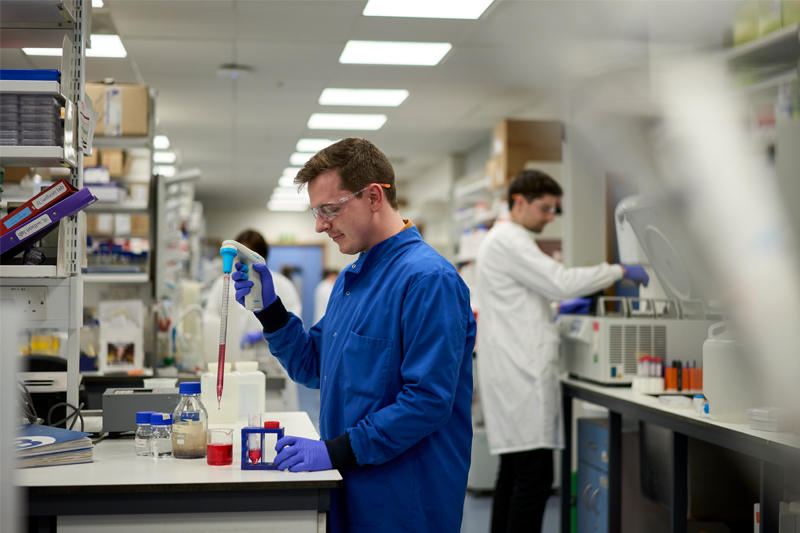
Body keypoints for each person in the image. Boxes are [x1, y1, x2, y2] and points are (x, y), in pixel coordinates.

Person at [232, 137, 475, 533]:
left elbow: (427, 401)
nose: (319, 224)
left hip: (404, 501)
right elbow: (315, 365)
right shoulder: (353, 278)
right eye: (316, 211)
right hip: (352, 487)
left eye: (330, 209)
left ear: (374, 196)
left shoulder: (429, 280)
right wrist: (270, 310)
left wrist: (335, 452)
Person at [474, 170, 648, 533]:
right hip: (521, 374)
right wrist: (617, 270)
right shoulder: (510, 239)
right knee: (533, 481)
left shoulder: (501, 239)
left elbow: (527, 298)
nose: (550, 216)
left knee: (513, 476)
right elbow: (560, 282)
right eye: (545, 208)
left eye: (555, 210)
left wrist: (553, 312)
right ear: (518, 202)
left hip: (512, 369)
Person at [204, 229, 302, 409]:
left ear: (260, 256)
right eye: (238, 256)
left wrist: (259, 335)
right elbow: (210, 318)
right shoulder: (223, 284)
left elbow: (294, 325)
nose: (240, 261)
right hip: (235, 362)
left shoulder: (282, 285)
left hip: (272, 362)